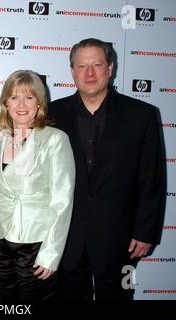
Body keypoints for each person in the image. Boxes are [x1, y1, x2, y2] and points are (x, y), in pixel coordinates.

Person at [48, 38, 163, 300]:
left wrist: (145, 232)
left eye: (97, 65)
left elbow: (151, 179)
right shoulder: (51, 115)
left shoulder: (141, 115)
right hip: (66, 238)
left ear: (110, 68)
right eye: (82, 66)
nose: (89, 73)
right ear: (72, 71)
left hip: (120, 240)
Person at [0, 70, 75, 302]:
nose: (21, 104)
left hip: (36, 244)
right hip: (0, 242)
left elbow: (62, 202)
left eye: (29, 97)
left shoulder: (55, 140)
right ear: (5, 103)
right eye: (14, 97)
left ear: (39, 103)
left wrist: (50, 254)